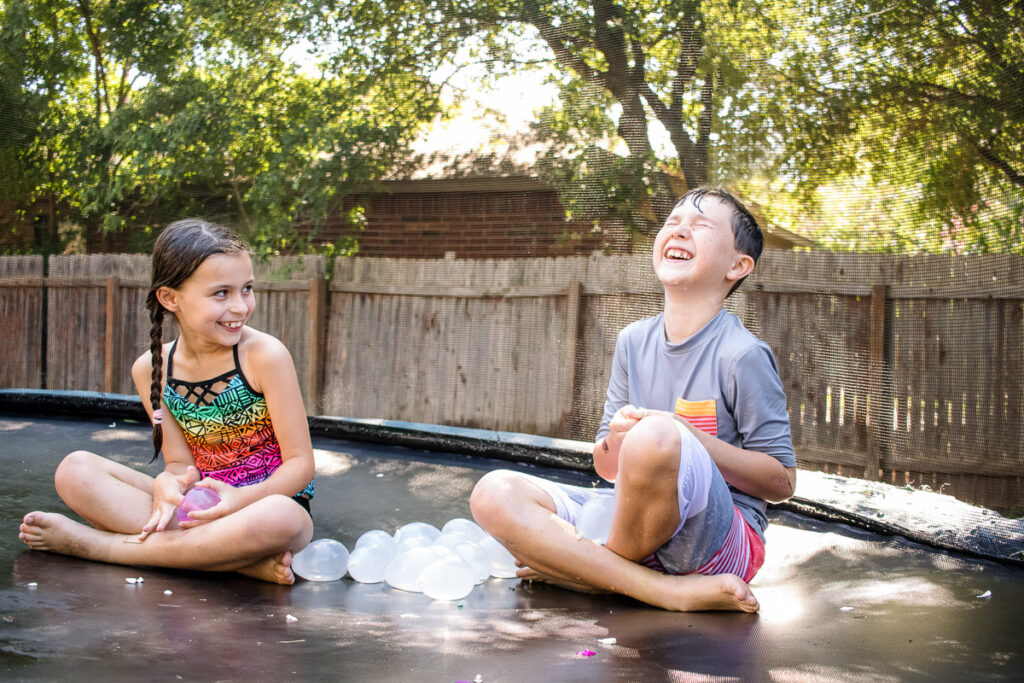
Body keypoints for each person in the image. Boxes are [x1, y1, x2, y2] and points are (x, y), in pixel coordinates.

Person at [470, 187, 797, 611]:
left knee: (658, 435)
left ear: (738, 265)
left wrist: (683, 436)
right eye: (673, 223)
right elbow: (606, 467)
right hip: (636, 526)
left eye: (700, 226)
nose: (680, 232)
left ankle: (590, 572)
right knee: (493, 492)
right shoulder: (633, 341)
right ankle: (654, 588)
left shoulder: (742, 355)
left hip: (719, 540)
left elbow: (782, 482)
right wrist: (618, 441)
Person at [19, 219, 315, 585]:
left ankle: (99, 546)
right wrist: (165, 484)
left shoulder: (265, 355)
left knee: (281, 519)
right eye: (221, 293)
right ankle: (238, 562)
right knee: (74, 470)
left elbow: (301, 465)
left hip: (261, 508)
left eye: (247, 289)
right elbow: (179, 465)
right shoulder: (151, 369)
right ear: (170, 297)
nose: (240, 306)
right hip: (197, 510)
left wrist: (238, 501)